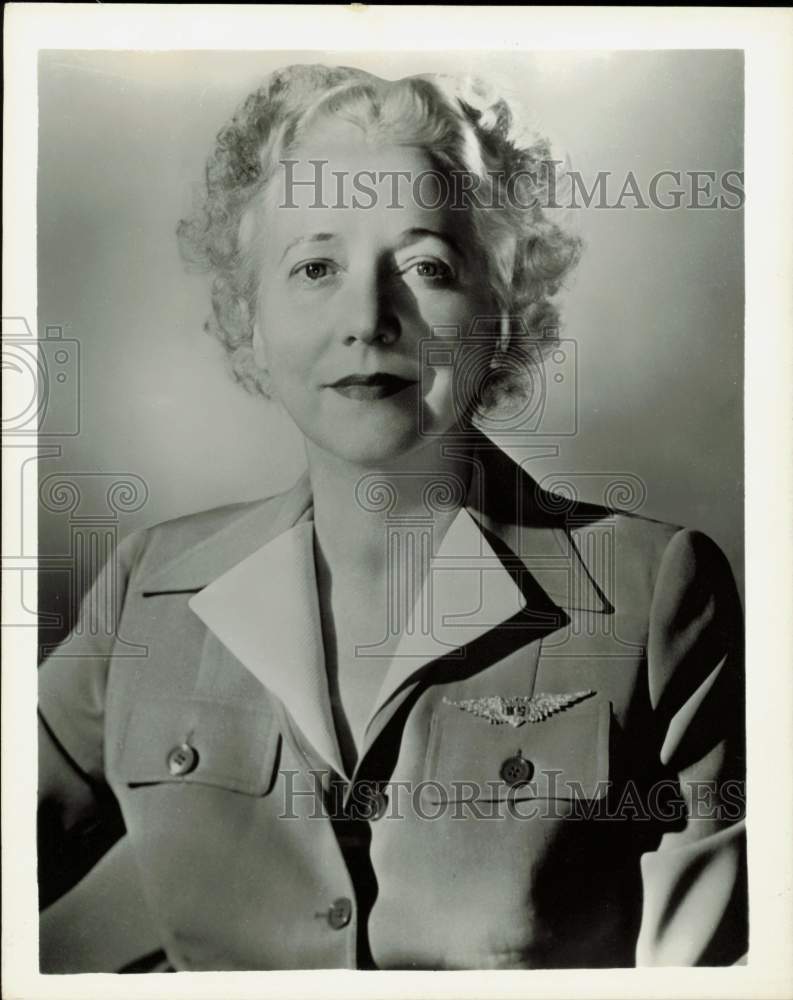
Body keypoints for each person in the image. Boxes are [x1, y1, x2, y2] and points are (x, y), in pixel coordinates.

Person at [37, 64, 746, 972]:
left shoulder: (655, 594)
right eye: (315, 267)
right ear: (249, 322)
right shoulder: (150, 587)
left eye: (427, 266)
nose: (369, 318)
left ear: (501, 309)